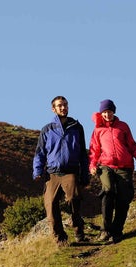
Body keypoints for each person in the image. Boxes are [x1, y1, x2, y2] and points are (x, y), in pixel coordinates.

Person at [33, 96, 89, 246]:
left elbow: (83, 153)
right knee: (50, 206)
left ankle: (79, 230)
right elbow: (40, 152)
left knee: (73, 199)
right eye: (60, 106)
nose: (63, 108)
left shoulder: (77, 127)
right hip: (52, 173)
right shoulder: (47, 129)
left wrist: (85, 174)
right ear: (53, 109)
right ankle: (60, 239)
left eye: (65, 105)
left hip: (70, 171)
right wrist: (37, 170)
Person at [89, 99, 136, 244]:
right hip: (105, 165)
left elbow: (131, 144)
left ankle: (117, 230)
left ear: (113, 111)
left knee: (124, 198)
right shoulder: (97, 130)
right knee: (108, 191)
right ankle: (105, 229)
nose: (107, 115)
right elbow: (94, 150)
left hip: (124, 166)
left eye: (109, 111)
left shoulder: (123, 126)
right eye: (104, 112)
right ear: (101, 113)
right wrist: (92, 165)